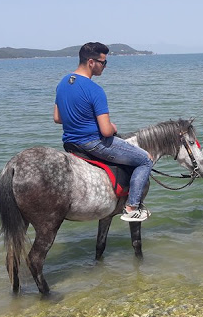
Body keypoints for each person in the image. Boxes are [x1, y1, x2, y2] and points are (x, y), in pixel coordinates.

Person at [54, 42, 153, 221]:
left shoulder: (62, 83)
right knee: (145, 160)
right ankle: (132, 207)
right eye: (103, 62)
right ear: (91, 62)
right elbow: (106, 132)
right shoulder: (95, 90)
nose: (105, 67)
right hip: (93, 144)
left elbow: (57, 118)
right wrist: (112, 127)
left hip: (70, 143)